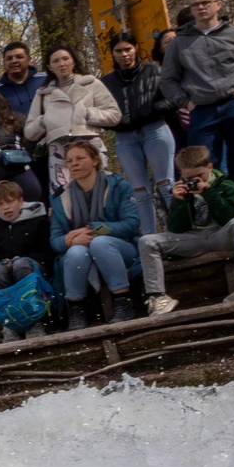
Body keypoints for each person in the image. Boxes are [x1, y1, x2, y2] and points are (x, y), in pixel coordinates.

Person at [167, 0, 234, 219]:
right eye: (195, 5)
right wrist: (186, 103)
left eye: (206, 2)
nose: (201, 7)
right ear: (190, 9)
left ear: (217, 5)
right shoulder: (179, 43)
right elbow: (168, 80)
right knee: (200, 168)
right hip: (202, 110)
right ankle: (215, 220)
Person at [141, 144, 234, 313]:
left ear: (209, 167)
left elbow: (230, 218)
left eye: (199, 176)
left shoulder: (226, 184)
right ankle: (157, 296)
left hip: (221, 235)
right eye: (188, 178)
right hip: (194, 239)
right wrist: (179, 202)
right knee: (147, 241)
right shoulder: (180, 190)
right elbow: (176, 229)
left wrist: (209, 193)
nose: (194, 181)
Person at [48, 137, 144, 327]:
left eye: (80, 158)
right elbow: (55, 239)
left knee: (100, 243)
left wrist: (93, 230)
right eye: (70, 161)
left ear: (95, 160)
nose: (74, 164)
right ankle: (76, 310)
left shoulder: (118, 186)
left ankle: (123, 302)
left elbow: (131, 224)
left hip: (121, 247)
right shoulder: (60, 197)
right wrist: (69, 241)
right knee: (75, 252)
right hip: (82, 250)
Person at [24, 44, 119, 195]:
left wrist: (87, 113)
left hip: (90, 145)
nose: (61, 64)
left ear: (73, 62)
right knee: (64, 196)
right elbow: (29, 132)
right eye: (55, 61)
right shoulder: (43, 93)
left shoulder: (91, 83)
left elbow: (114, 115)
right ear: (49, 66)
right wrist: (44, 120)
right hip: (58, 150)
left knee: (101, 193)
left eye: (65, 59)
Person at [102, 33, 182, 209]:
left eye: (128, 49)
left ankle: (180, 231)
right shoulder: (105, 82)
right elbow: (99, 111)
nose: (124, 54)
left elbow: (174, 98)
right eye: (119, 51)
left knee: (166, 184)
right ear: (113, 53)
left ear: (136, 48)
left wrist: (151, 110)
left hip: (155, 129)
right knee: (139, 191)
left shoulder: (156, 72)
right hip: (125, 137)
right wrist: (115, 121)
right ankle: (148, 234)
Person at [0, 180, 54, 339]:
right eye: (0, 204)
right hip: (2, 273)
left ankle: (33, 321)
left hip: (33, 270)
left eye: (10, 202)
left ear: (21, 201)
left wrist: (23, 259)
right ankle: (9, 323)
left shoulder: (39, 223)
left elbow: (49, 253)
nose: (6, 207)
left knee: (22, 265)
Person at [0, 38, 48, 123]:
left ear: (28, 59)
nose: (14, 61)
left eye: (19, 57)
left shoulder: (46, 79)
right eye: (9, 58)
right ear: (3, 62)